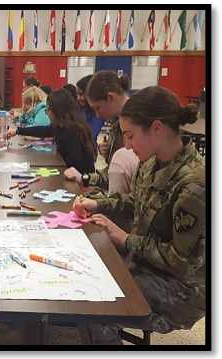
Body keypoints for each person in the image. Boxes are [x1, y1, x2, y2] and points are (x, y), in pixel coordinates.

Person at [71, 86, 205, 344]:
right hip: (148, 263)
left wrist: (124, 238)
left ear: (157, 128)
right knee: (85, 266)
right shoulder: (152, 162)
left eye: (130, 135)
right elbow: (136, 201)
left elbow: (182, 263)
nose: (126, 145)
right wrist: (98, 204)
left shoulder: (193, 185)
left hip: (183, 288)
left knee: (95, 304)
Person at [64, 70, 130, 191]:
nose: (98, 115)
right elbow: (113, 173)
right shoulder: (117, 121)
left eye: (97, 108)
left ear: (111, 97)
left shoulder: (133, 121)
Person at [5, 88, 97, 175]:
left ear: (57, 111)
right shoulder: (62, 126)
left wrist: (55, 161)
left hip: (80, 180)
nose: (47, 114)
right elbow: (43, 130)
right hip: (71, 173)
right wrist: (17, 131)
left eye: (48, 110)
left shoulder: (71, 131)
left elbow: (74, 160)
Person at [75, 74, 107, 148]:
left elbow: (91, 134)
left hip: (88, 150)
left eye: (81, 94)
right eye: (77, 95)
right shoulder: (82, 109)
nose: (78, 98)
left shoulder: (97, 114)